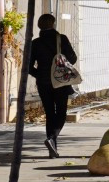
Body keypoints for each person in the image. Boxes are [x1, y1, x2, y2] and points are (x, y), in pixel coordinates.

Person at [24, 14, 78, 157]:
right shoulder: (61, 39)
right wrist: (62, 66)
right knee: (61, 112)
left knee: (49, 112)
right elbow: (73, 57)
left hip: (43, 82)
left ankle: (52, 147)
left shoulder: (35, 43)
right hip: (60, 81)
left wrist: (41, 74)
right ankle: (52, 139)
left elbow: (28, 67)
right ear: (53, 24)